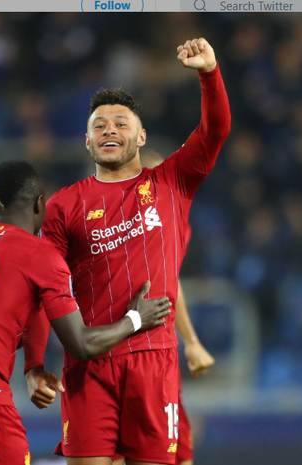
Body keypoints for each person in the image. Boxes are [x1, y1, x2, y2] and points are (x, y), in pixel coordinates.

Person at [24, 38, 230, 465]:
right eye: (100, 125)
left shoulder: (171, 183)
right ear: (86, 141)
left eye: (121, 123)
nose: (110, 131)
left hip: (153, 364)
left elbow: (216, 131)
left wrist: (209, 75)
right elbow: (46, 290)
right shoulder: (64, 205)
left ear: (141, 135)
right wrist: (33, 363)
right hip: (89, 367)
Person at [0, 161, 173, 465]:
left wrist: (33, 367)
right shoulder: (40, 254)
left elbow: (0, 323)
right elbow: (80, 344)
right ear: (41, 204)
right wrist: (135, 319)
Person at [110, 149, 216, 465]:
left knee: (178, 455)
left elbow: (171, 282)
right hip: (115, 357)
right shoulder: (115, 226)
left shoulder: (175, 223)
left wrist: (192, 342)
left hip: (158, 358)